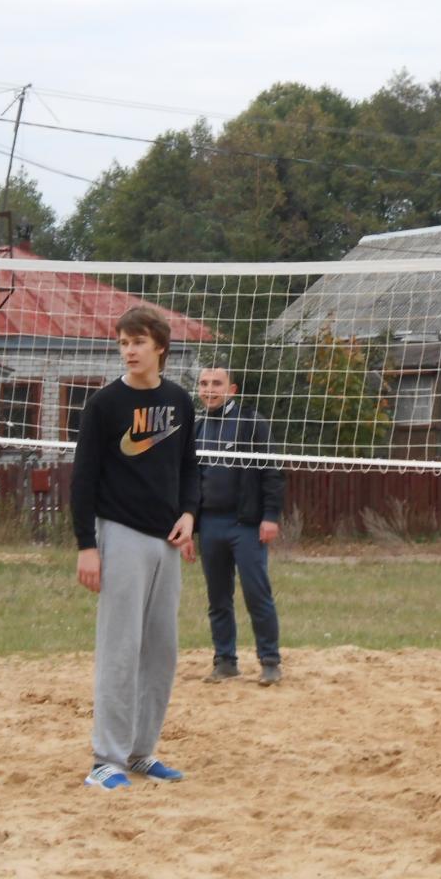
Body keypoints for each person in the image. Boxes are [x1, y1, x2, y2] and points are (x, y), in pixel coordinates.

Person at [71, 306, 200, 790]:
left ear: (159, 347)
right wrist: (87, 544)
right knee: (120, 649)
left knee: (160, 650)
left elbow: (189, 468)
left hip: (167, 540)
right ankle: (106, 758)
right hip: (119, 533)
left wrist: (190, 515)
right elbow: (82, 479)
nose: (129, 350)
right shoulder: (105, 405)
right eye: (124, 342)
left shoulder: (179, 401)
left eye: (138, 342)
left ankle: (141, 751)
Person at [194, 366, 285, 686]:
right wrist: (189, 527)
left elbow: (271, 471)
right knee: (218, 597)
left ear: (231, 389)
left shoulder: (250, 422)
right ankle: (225, 660)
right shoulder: (198, 427)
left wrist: (270, 516)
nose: (209, 389)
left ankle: (270, 660)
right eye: (204, 384)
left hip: (245, 523)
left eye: (216, 384)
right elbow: (190, 481)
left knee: (256, 593)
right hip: (210, 523)